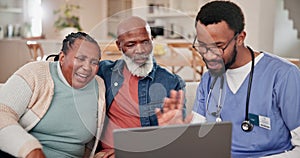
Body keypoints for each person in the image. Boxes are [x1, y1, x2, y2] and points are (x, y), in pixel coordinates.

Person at [190, 1, 300, 157]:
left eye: (218, 46)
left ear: (240, 38)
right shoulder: (209, 79)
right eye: (202, 46)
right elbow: (198, 137)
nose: (208, 55)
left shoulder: (283, 75)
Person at [0, 32, 106, 158]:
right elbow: (2, 113)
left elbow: (90, 145)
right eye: (80, 58)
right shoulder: (35, 73)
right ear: (62, 58)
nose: (87, 67)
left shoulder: (99, 87)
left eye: (94, 62)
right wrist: (30, 150)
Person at [96, 16, 188, 157]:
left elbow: (174, 139)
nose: (140, 50)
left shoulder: (171, 83)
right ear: (119, 45)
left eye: (145, 42)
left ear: (152, 40)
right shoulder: (104, 71)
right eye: (131, 44)